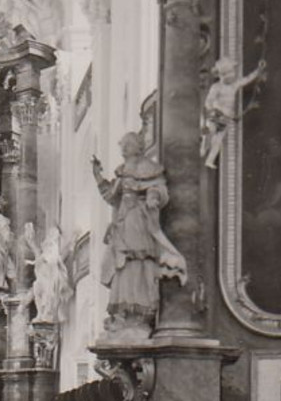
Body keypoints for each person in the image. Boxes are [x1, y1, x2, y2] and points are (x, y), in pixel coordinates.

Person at [93, 131, 187, 332]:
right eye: (122, 145)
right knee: (122, 266)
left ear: (138, 146)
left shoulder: (150, 168)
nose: (124, 149)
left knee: (139, 262)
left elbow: (160, 190)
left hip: (139, 221)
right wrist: (98, 176)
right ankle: (124, 313)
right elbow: (111, 196)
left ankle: (140, 314)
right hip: (123, 223)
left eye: (128, 144)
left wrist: (153, 196)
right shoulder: (122, 171)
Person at [200, 56, 265, 168]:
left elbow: (247, 79)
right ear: (221, 76)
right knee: (210, 133)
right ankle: (204, 146)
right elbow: (208, 102)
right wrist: (212, 112)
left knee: (218, 140)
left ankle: (209, 160)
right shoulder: (216, 87)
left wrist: (258, 70)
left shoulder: (234, 85)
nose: (231, 78)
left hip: (226, 117)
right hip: (216, 115)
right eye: (228, 75)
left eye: (232, 75)